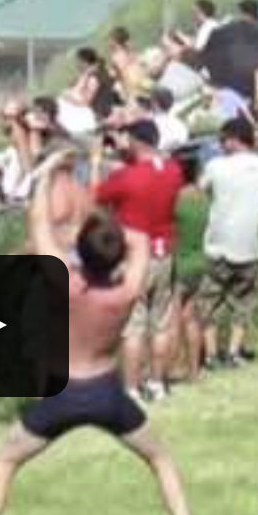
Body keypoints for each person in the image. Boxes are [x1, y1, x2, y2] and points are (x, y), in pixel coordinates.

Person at [0, 150, 196, 515]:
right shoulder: (125, 293)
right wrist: (112, 229)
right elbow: (141, 240)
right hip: (107, 392)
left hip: (62, 393)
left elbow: (39, 224)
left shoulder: (66, 284)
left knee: (6, 460)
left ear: (81, 251)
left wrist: (47, 173)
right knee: (159, 457)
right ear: (117, 255)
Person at [94, 120, 183, 402]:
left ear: (135, 140)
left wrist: (96, 161)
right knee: (160, 322)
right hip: (164, 252)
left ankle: (131, 388)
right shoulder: (173, 170)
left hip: (134, 256)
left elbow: (96, 196)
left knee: (133, 326)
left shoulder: (127, 177)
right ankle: (157, 383)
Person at [194, 117, 258, 368]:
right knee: (244, 301)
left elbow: (201, 191)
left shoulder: (216, 166)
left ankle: (211, 355)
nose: (221, 145)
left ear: (233, 140)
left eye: (222, 140)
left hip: (218, 245)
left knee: (209, 301)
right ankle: (234, 352)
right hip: (252, 245)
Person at [166, 148, 210, 385]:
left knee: (172, 320)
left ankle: (168, 372)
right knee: (191, 319)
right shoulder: (203, 197)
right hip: (199, 261)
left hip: (179, 263)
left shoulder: (176, 199)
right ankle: (194, 371)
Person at [200, 0, 258, 104]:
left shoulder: (229, 29)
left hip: (230, 82)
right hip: (252, 84)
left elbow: (209, 51)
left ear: (242, 13)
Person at [108, 26, 151, 102]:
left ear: (114, 41)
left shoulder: (116, 57)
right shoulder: (131, 51)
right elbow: (141, 65)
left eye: (110, 40)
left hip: (134, 87)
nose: (109, 42)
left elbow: (117, 76)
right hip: (143, 81)